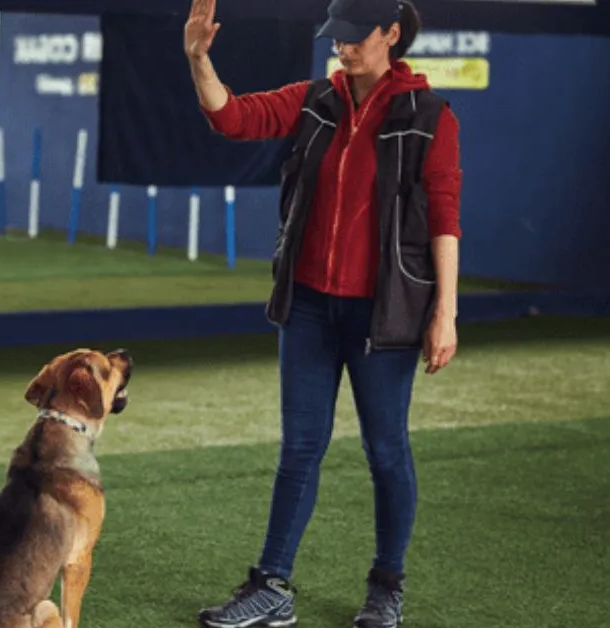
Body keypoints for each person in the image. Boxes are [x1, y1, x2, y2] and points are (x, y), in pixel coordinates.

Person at [184, 0, 462, 626]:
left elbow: (444, 216)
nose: (342, 48)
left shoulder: (430, 116)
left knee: (385, 450)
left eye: (354, 37)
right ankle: (272, 586)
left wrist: (444, 310)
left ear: (391, 34)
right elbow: (233, 118)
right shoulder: (315, 100)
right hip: (308, 305)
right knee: (299, 448)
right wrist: (199, 57)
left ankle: (386, 585)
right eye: (335, 38)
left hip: (384, 313)